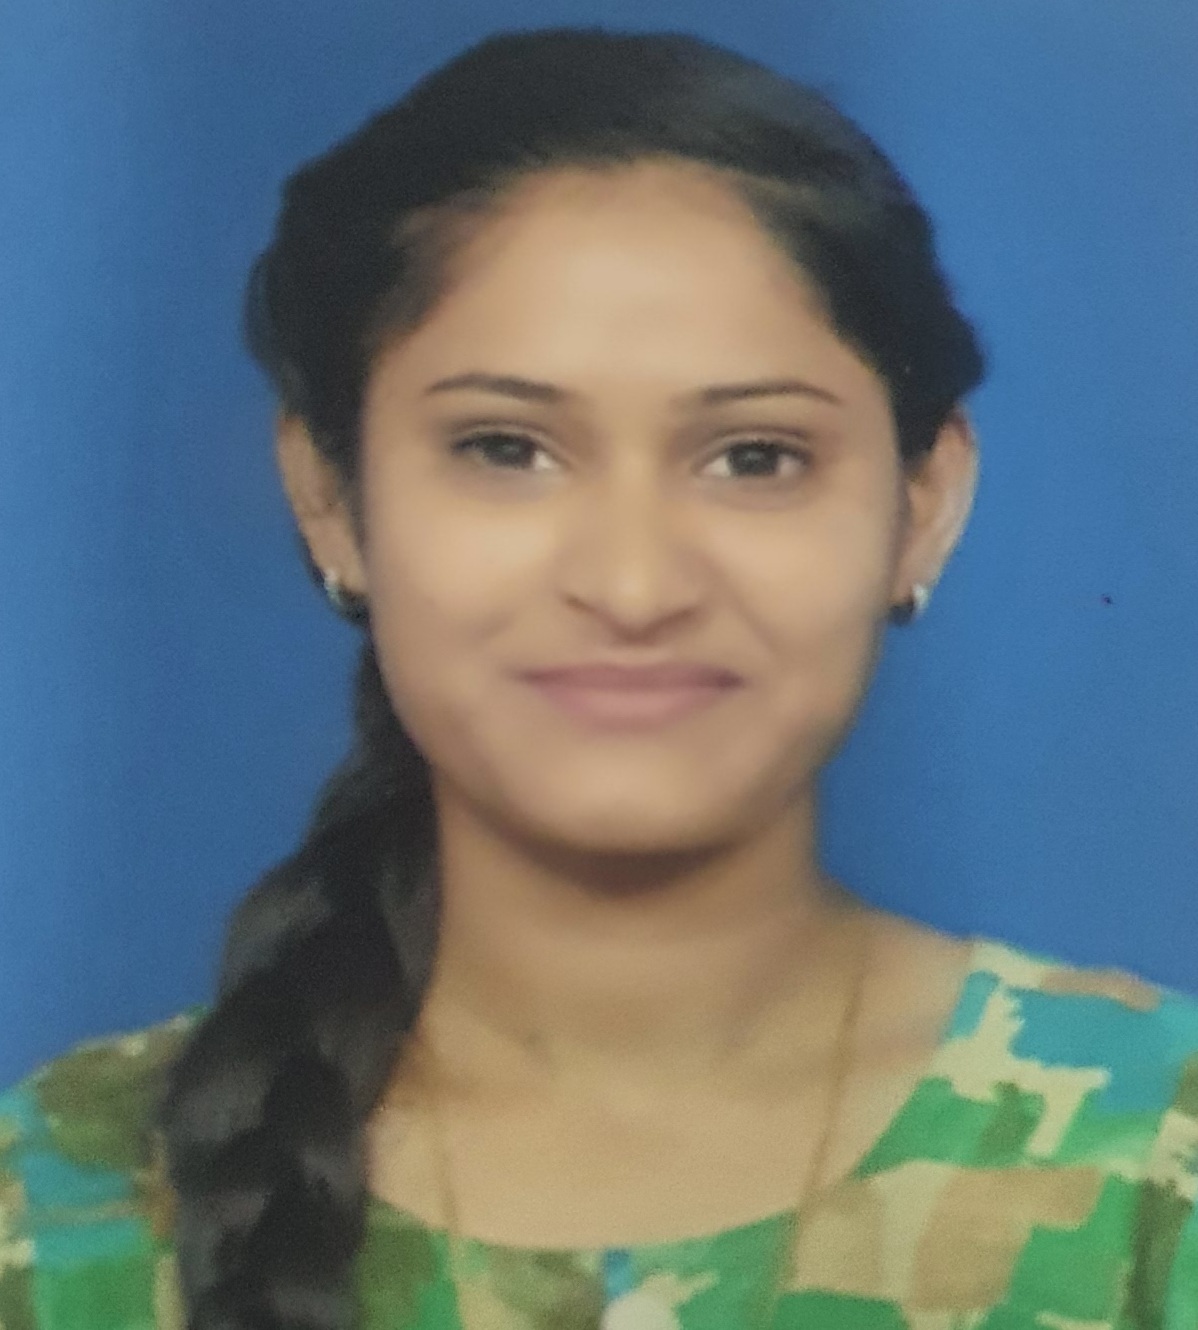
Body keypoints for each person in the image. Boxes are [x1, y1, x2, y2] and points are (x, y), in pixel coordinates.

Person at [2, 24, 1196, 1330]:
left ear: (924, 505)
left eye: (753, 457)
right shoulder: (56, 1206)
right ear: (330, 498)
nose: (633, 586)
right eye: (505, 448)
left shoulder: (1151, 1161)